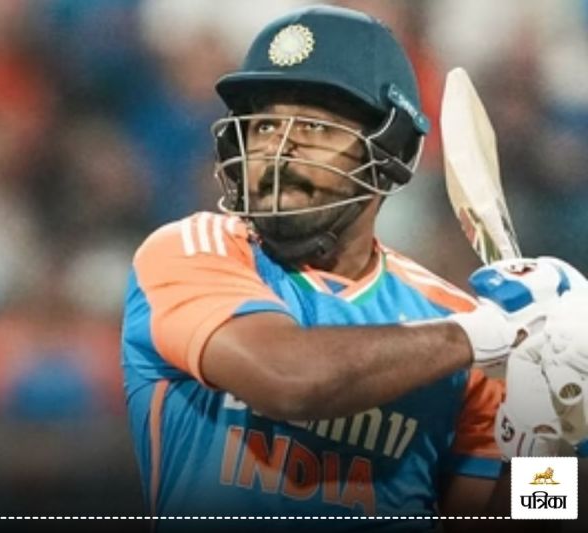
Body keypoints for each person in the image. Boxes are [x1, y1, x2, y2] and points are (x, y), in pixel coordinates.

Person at [121, 5, 588, 527]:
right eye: (265, 124)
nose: (278, 149)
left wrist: (549, 435)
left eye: (315, 126)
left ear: (392, 150)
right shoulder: (190, 251)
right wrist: (485, 335)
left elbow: (534, 515)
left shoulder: (455, 323)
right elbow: (289, 380)